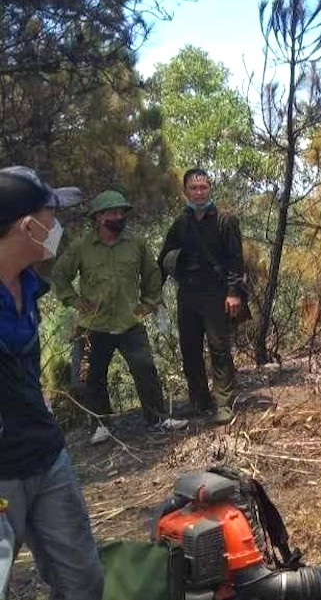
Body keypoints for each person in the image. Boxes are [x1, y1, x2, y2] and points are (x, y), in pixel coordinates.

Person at [0, 166, 103, 600]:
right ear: (26, 226)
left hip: (48, 460)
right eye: (51, 214)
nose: (58, 225)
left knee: (81, 580)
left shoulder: (30, 287)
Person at [51, 190, 187, 442]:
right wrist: (73, 301)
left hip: (129, 322)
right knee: (89, 378)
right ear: (99, 217)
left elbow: (152, 275)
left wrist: (147, 303)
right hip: (92, 326)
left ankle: (157, 419)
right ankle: (101, 424)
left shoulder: (136, 243)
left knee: (145, 368)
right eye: (113, 212)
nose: (119, 216)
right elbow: (60, 274)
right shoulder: (82, 246)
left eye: (122, 212)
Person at [158, 169, 245, 425]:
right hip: (187, 294)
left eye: (203, 187)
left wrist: (233, 293)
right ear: (186, 191)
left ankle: (224, 404)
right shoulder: (180, 224)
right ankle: (199, 400)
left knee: (219, 348)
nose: (199, 192)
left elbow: (235, 260)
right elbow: (163, 258)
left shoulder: (225, 220)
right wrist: (154, 293)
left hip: (216, 294)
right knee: (190, 349)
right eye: (193, 188)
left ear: (210, 189)